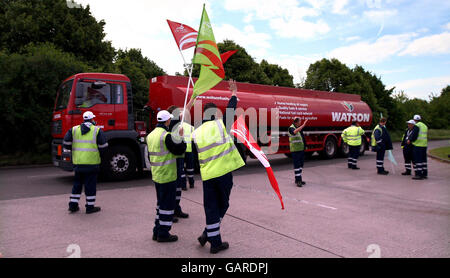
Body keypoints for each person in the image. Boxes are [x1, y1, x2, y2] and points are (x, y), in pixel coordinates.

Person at [192, 79, 245, 254]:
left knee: (211, 207)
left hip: (207, 176)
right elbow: (231, 110)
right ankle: (213, 241)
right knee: (223, 205)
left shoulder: (196, 132)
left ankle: (209, 235)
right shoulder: (221, 125)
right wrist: (234, 93)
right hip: (223, 174)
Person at [147, 110, 186, 242]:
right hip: (168, 175)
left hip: (157, 175)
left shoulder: (151, 135)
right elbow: (180, 150)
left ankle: (156, 231)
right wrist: (181, 137)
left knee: (160, 205)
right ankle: (163, 234)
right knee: (167, 207)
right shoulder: (166, 136)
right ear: (167, 121)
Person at [63, 111, 108, 214]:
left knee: (77, 184)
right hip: (92, 164)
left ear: (83, 119)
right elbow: (104, 147)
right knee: (90, 186)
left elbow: (66, 143)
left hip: (78, 163)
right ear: (92, 119)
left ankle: (73, 206)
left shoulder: (74, 130)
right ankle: (90, 207)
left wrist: (75, 150)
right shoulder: (97, 131)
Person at [288, 118, 308, 186]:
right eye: (299, 121)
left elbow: (302, 138)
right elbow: (294, 132)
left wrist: (305, 146)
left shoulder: (298, 128)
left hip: (301, 149)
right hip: (295, 150)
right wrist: (303, 125)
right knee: (297, 166)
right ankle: (298, 181)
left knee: (301, 165)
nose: (300, 123)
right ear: (296, 122)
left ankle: (298, 179)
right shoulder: (291, 128)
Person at [409, 114, 428, 180]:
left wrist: (410, 140)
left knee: (418, 160)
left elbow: (414, 135)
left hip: (418, 145)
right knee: (423, 160)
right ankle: (424, 174)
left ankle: (418, 174)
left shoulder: (417, 126)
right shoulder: (425, 126)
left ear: (414, 120)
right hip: (424, 145)